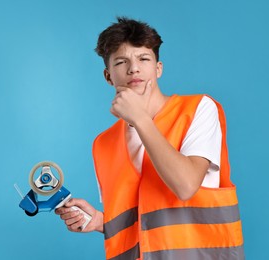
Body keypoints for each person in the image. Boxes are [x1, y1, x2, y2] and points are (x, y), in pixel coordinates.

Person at [55, 17, 244, 260]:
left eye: (143, 59)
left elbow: (185, 186)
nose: (134, 68)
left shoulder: (198, 109)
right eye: (121, 62)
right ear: (108, 76)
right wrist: (102, 222)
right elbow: (145, 216)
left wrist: (140, 118)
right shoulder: (103, 144)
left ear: (158, 68)